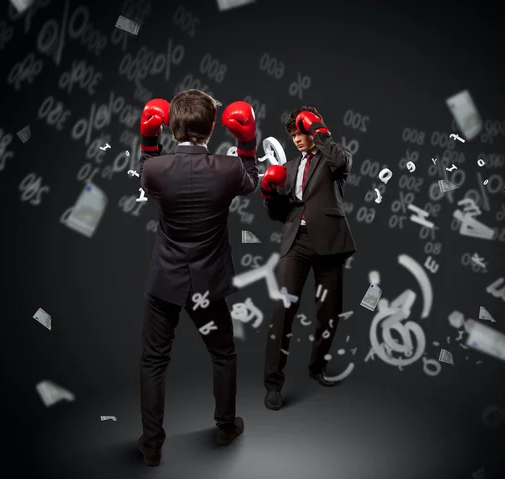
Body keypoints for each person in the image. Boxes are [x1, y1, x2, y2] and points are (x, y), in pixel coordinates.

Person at [136, 91, 259, 466]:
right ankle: (225, 426)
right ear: (210, 129)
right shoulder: (228, 169)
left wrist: (148, 140)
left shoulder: (155, 170)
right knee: (222, 353)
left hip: (166, 282)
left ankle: (152, 445)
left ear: (172, 128)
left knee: (154, 361)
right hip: (207, 283)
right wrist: (247, 142)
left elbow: (148, 168)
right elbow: (252, 181)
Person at [259, 106, 356, 411]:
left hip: (330, 242)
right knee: (282, 311)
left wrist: (319, 130)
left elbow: (343, 162)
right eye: (293, 135)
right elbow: (278, 214)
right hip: (296, 243)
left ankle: (317, 368)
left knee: (329, 312)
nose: (297, 139)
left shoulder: (332, 157)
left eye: (301, 132)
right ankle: (273, 384)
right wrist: (269, 193)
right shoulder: (287, 168)